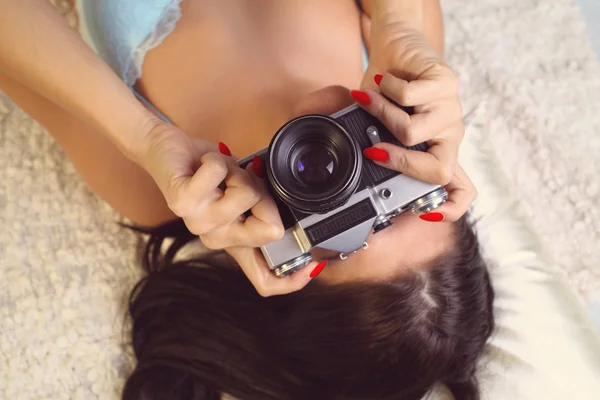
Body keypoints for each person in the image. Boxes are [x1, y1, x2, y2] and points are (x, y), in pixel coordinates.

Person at [1, 0, 494, 398]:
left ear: (282, 257)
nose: (348, 177)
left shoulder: (151, 184)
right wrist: (398, 22)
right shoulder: (408, 83)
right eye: (396, 197)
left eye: (342, 226)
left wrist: (143, 134)